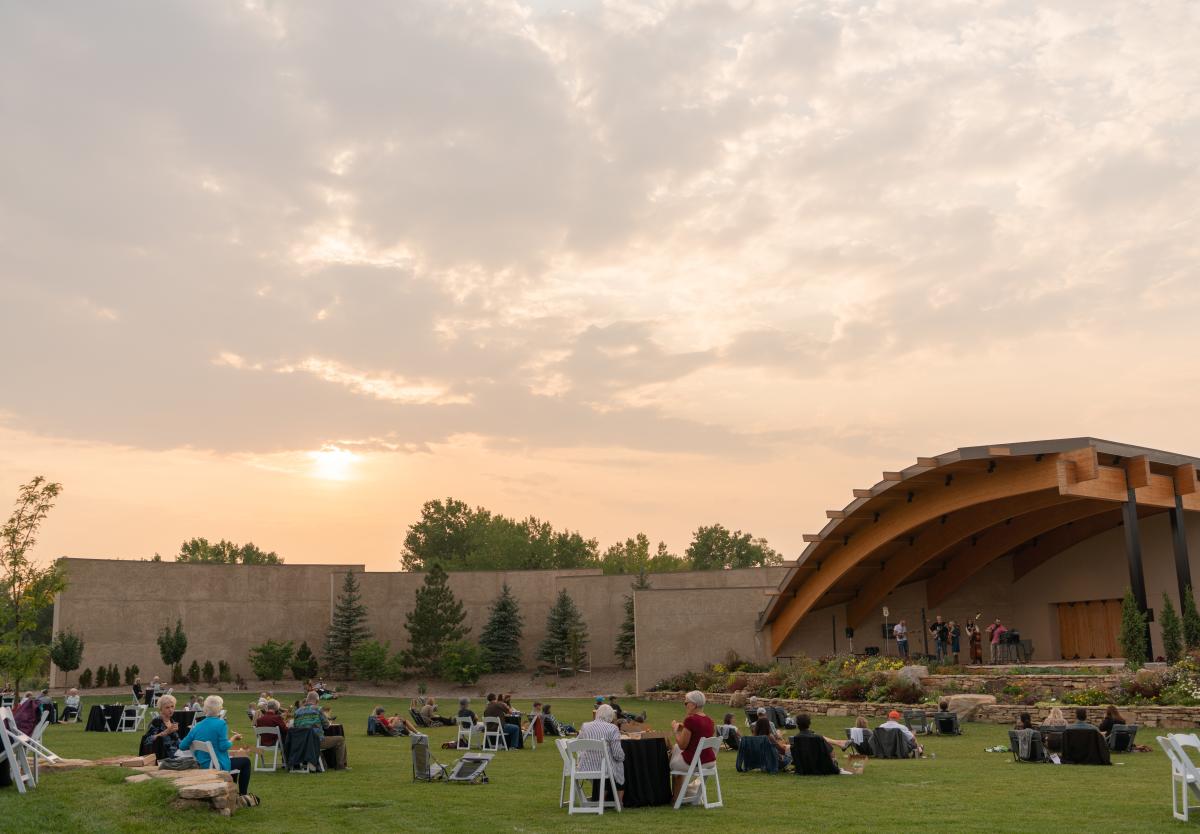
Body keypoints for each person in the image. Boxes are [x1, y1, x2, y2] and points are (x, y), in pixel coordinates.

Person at [178, 695, 257, 804]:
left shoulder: (197, 726)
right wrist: (233, 738)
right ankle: (243, 795)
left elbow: (182, 746)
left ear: (205, 709)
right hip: (217, 765)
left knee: (234, 760)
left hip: (202, 764)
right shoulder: (221, 724)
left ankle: (230, 793)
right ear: (220, 709)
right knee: (245, 761)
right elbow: (224, 746)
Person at [669, 690, 715, 802]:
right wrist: (683, 728)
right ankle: (678, 795)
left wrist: (676, 731)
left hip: (694, 762)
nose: (685, 705)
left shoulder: (690, 720)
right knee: (676, 754)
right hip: (708, 761)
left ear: (693, 705)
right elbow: (698, 734)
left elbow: (682, 746)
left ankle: (675, 797)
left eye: (686, 703)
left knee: (673, 758)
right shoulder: (709, 720)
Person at [578, 704, 625, 804]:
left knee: (609, 764)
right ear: (611, 716)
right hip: (605, 767)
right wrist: (623, 757)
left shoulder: (585, 726)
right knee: (619, 764)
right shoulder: (612, 728)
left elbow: (578, 744)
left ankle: (600, 799)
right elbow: (617, 754)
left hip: (586, 766)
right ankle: (619, 802)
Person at [292, 691, 347, 769]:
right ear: (317, 701)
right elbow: (326, 725)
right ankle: (340, 766)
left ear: (307, 700)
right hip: (316, 741)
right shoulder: (318, 709)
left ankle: (322, 764)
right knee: (340, 740)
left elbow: (296, 726)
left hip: (302, 742)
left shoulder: (297, 712)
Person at [142, 693, 183, 760]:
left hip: (176, 753)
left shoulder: (172, 721)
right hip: (164, 756)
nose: (171, 710)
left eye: (172, 706)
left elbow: (177, 741)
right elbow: (147, 741)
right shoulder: (157, 722)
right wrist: (164, 733)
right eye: (167, 707)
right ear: (161, 709)